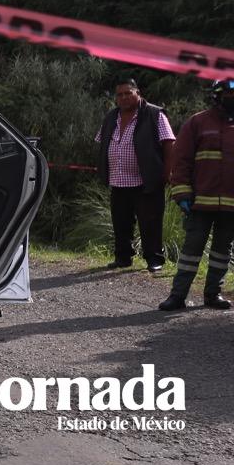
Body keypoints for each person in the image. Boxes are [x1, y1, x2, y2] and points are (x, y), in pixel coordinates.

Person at [159, 79, 234, 311]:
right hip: (199, 203)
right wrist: (182, 193)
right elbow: (180, 160)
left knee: (222, 253)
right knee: (192, 251)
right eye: (229, 96)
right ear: (217, 97)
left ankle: (213, 295)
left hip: (231, 206)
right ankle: (178, 296)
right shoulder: (198, 122)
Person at [94, 78, 175, 272]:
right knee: (120, 222)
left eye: (128, 93)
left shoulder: (155, 114)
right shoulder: (111, 117)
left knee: (151, 223)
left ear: (138, 93)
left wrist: (166, 174)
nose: (124, 98)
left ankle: (154, 259)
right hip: (118, 181)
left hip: (146, 181)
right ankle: (123, 258)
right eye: (119, 95)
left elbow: (169, 144)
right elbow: (101, 141)